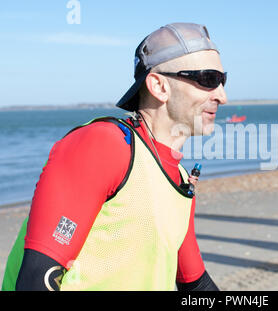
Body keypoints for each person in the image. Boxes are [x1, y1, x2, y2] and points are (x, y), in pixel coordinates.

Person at [2, 22, 227, 291]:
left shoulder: (179, 177)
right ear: (159, 86)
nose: (222, 96)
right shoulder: (105, 145)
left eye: (222, 81)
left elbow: (196, 284)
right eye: (208, 79)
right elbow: (37, 280)